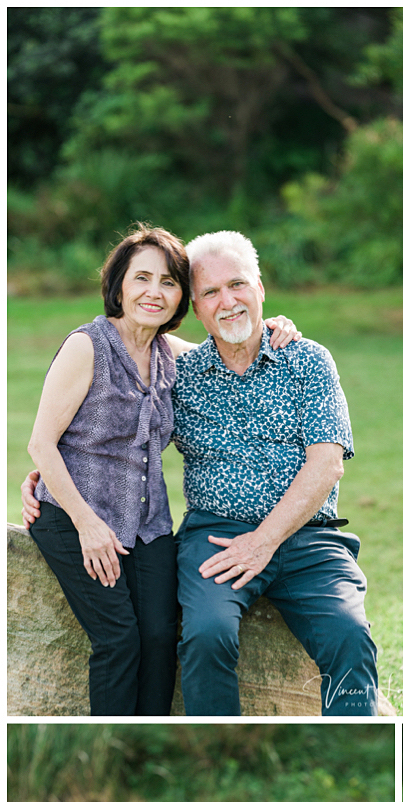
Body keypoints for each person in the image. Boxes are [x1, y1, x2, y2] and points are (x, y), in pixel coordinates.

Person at [22, 224, 298, 715]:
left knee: (159, 637)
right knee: (120, 640)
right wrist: (86, 525)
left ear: (180, 298)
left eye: (169, 282)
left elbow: (235, 341)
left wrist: (275, 326)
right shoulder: (88, 346)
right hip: (77, 519)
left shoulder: (171, 357)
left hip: (149, 528)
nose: (154, 292)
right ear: (119, 285)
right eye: (141, 278)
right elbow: (41, 443)